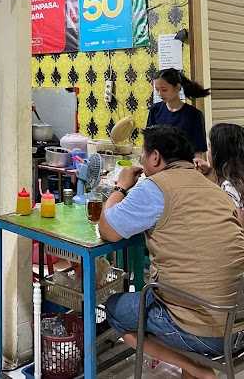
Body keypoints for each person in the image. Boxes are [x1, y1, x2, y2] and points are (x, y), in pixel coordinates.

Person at [100, 125, 244, 379]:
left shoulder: (155, 187)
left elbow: (108, 230)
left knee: (115, 308)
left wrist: (121, 187)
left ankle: (196, 368)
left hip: (204, 333)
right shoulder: (217, 190)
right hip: (237, 326)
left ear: (155, 157)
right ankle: (194, 367)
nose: (143, 161)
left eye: (143, 155)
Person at [147, 68, 209, 155]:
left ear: (177, 87)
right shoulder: (155, 110)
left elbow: (198, 151)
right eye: (157, 90)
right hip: (160, 164)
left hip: (184, 165)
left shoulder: (194, 114)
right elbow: (148, 142)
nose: (160, 94)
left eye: (164, 90)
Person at [195, 123, 244, 225]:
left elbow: (239, 228)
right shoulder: (238, 178)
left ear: (220, 153)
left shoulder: (230, 187)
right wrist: (210, 171)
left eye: (209, 147)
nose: (207, 152)